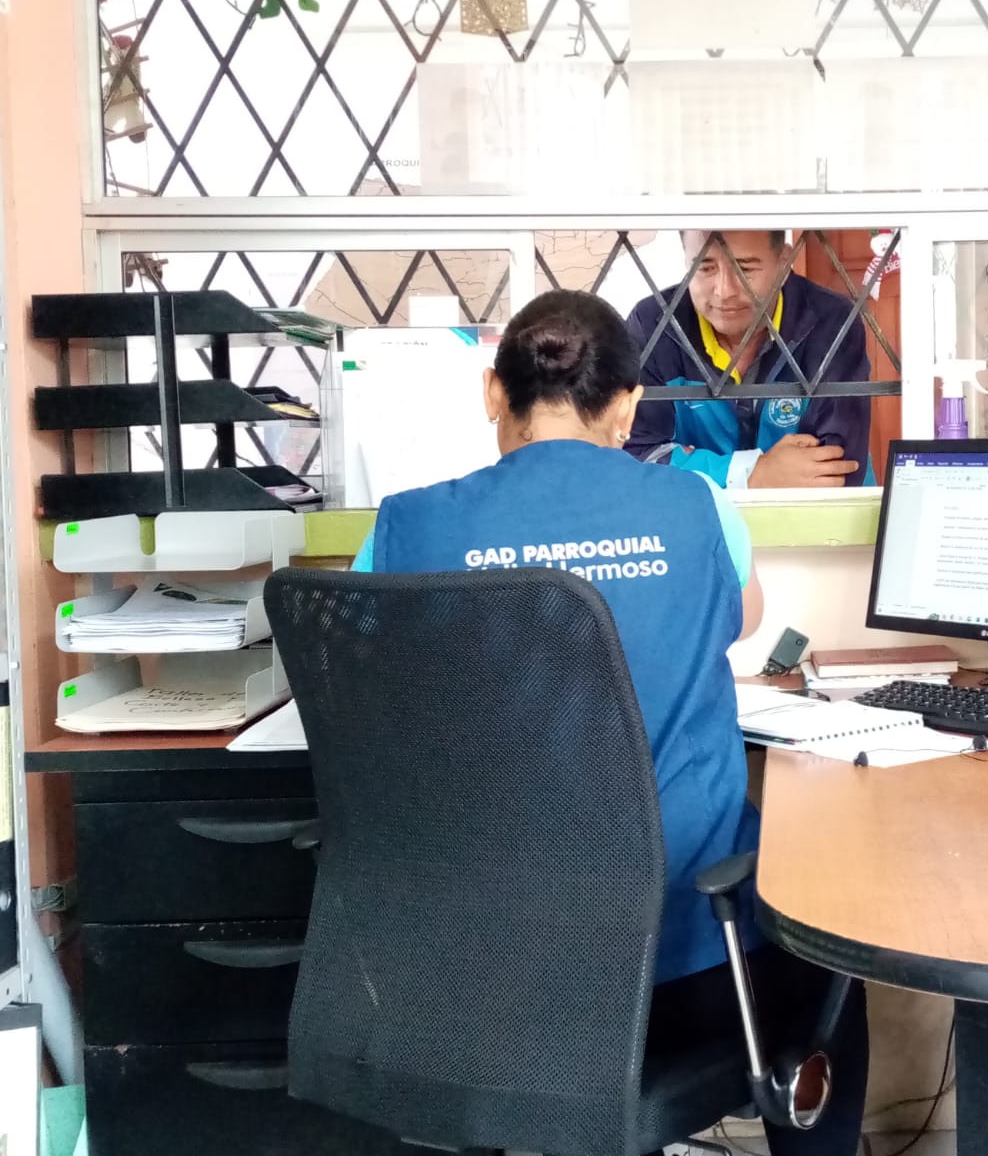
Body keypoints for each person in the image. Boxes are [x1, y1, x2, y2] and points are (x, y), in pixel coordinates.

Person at [349, 289, 868, 1156]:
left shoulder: (408, 524)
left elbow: (366, 665)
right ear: (627, 406)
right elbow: (742, 621)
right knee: (831, 954)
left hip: (486, 971)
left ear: (493, 392)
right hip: (692, 965)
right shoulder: (696, 506)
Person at [624, 229, 872, 489]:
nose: (724, 291)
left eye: (744, 268)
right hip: (700, 512)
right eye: (705, 267)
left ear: (784, 261)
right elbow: (634, 458)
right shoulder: (655, 326)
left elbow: (838, 468)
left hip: (812, 512)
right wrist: (753, 473)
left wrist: (693, 468)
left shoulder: (831, 322)